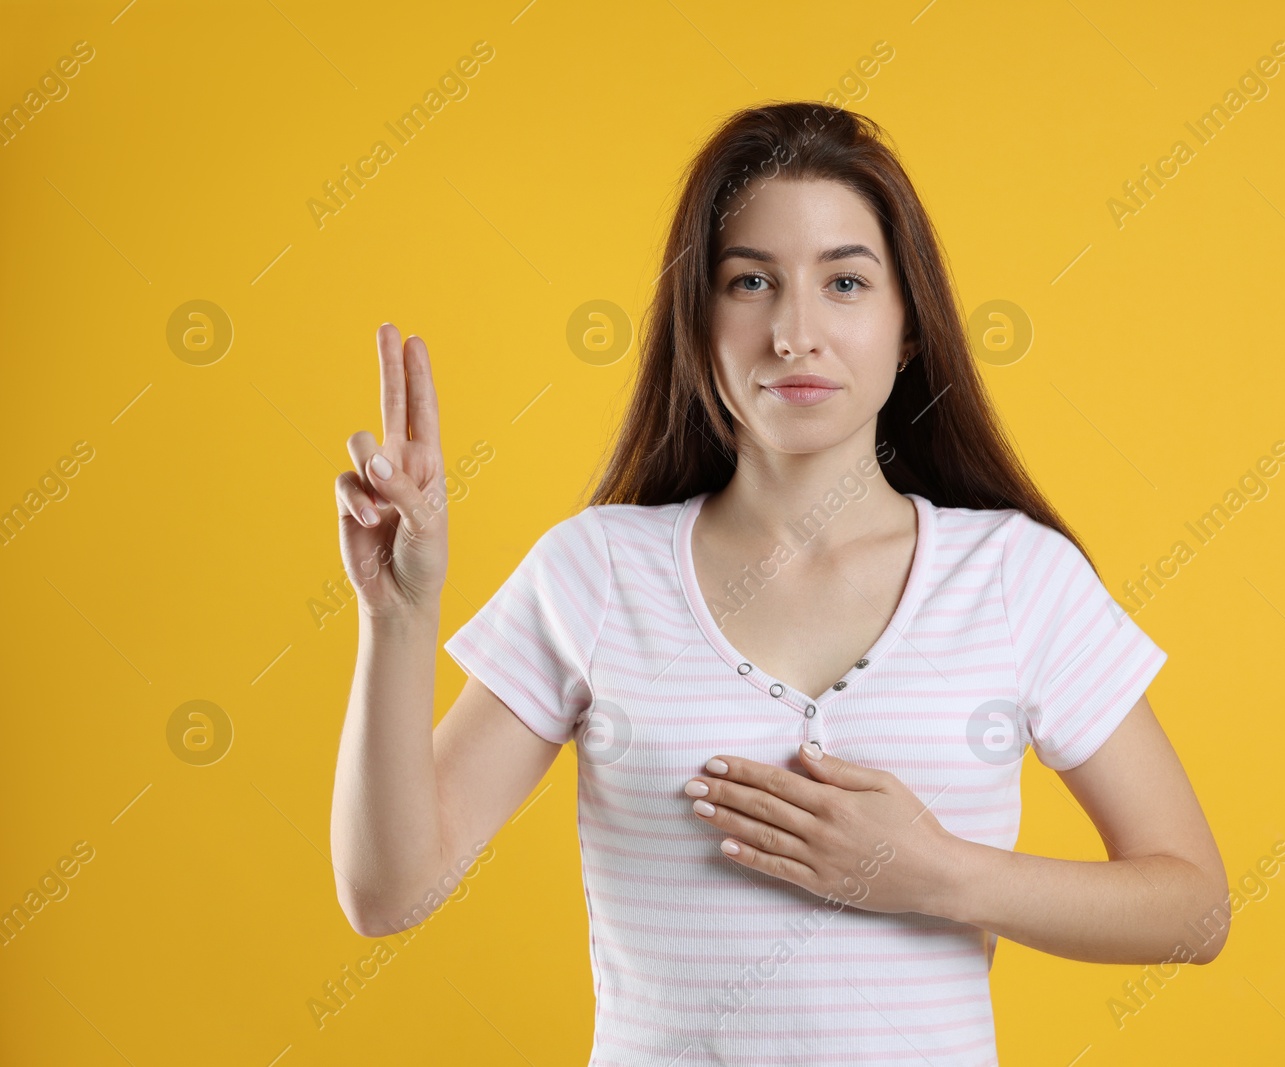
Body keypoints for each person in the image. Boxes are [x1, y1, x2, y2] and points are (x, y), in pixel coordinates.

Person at [330, 101, 1228, 1065]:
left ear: (909, 326)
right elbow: (389, 894)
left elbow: (1192, 909)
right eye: (751, 281)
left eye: (845, 281)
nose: (796, 333)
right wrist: (399, 614)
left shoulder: (1013, 576)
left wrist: (938, 874)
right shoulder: (595, 571)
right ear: (698, 320)